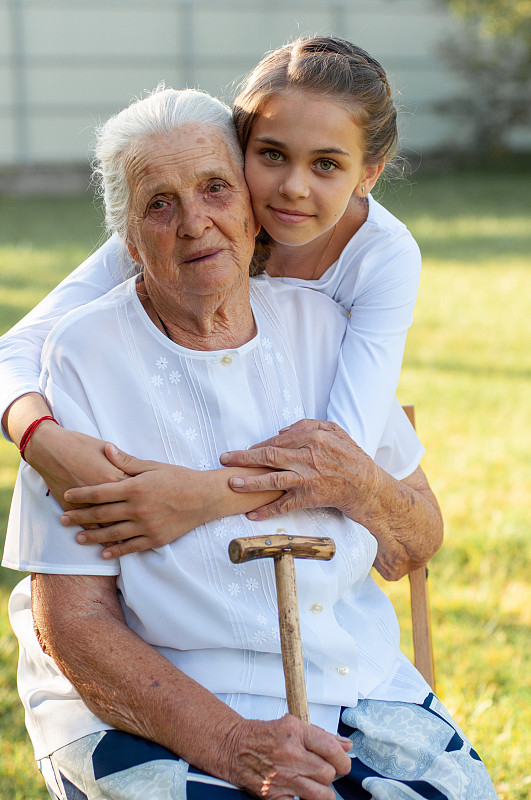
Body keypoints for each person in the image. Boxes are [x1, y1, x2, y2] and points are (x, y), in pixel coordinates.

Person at [3, 87, 497, 800]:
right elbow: (73, 624)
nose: (195, 223)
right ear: (129, 237)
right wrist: (230, 743)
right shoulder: (81, 357)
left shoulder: (324, 328)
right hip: (165, 708)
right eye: (159, 204)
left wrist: (361, 485)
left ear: (250, 208)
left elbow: (412, 542)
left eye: (214, 189)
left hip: (353, 687)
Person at [0, 36, 423, 556]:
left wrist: (194, 497)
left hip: (284, 495)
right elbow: (13, 350)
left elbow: (338, 449)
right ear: (238, 149)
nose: (292, 187)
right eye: (271, 154)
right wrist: (41, 438)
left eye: (326, 165)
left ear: (369, 174)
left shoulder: (383, 257)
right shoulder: (181, 224)